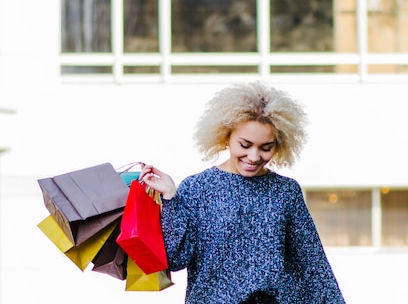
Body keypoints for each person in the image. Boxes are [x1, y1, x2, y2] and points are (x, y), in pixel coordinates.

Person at [139, 81, 346, 304]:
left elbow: (313, 266)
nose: (254, 156)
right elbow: (175, 259)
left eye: (266, 148)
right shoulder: (196, 188)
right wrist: (171, 198)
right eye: (245, 145)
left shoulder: (286, 191)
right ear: (226, 136)